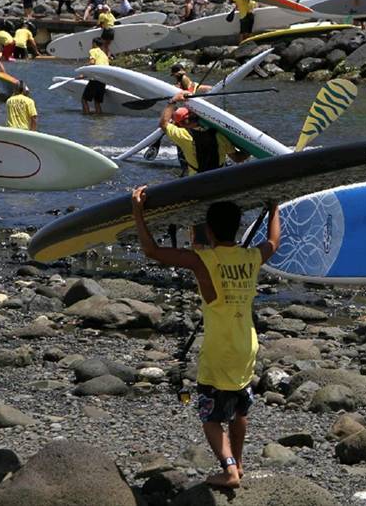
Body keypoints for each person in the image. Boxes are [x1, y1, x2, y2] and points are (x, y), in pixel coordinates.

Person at [131, 186, 279, 488]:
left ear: (209, 229)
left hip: (218, 349)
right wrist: (275, 206)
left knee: (211, 417)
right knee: (239, 408)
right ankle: (238, 463)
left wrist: (138, 211)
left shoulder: (202, 260)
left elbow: (152, 251)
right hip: (246, 345)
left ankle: (228, 470)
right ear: (237, 227)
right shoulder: (251, 257)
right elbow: (274, 241)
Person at [161, 93, 249, 175]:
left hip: (196, 179)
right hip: (219, 177)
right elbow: (237, 158)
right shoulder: (219, 135)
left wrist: (173, 101)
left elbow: (163, 124)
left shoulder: (182, 135)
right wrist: (249, 149)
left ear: (180, 124)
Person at [81, 38, 111, 115]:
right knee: (97, 102)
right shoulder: (104, 54)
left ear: (94, 43)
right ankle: (99, 117)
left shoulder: (93, 50)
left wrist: (84, 74)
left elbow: (92, 62)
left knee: (84, 100)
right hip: (103, 80)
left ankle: (86, 117)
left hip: (95, 79)